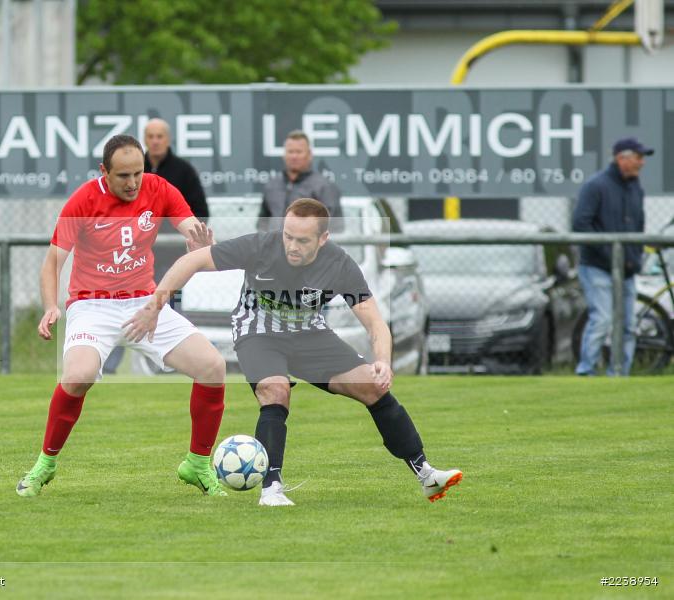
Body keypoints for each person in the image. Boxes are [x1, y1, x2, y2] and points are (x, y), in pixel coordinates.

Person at [126, 198, 462, 507]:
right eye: (288, 236)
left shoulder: (339, 265)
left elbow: (376, 323)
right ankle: (271, 488)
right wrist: (155, 306)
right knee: (275, 390)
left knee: (374, 387)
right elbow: (193, 260)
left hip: (309, 336)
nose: (292, 245)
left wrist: (383, 364)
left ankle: (426, 475)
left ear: (323, 239)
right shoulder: (261, 246)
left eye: (302, 240)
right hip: (257, 333)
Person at [16, 134, 227, 498]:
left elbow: (194, 231)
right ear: (104, 172)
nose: (132, 184)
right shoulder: (82, 201)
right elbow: (52, 263)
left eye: (138, 174)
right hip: (92, 305)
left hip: (143, 303)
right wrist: (51, 305)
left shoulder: (159, 188)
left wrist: (202, 245)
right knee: (78, 376)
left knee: (213, 367)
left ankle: (197, 465)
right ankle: (45, 464)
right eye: (123, 176)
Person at [104, 118, 210, 374]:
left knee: (169, 307)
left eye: (159, 136)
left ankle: (165, 366)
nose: (155, 141)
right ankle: (107, 365)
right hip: (131, 257)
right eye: (150, 136)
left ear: (168, 139)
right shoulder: (125, 171)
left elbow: (199, 213)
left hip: (170, 256)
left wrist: (186, 236)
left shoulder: (183, 171)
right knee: (120, 307)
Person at [573, 136, 651, 376]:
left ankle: (620, 373)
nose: (641, 163)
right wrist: (610, 253)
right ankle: (586, 371)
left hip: (626, 269)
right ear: (622, 158)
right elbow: (580, 223)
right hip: (597, 266)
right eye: (638, 157)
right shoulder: (596, 186)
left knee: (628, 325)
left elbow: (638, 224)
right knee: (602, 320)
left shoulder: (635, 187)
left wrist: (634, 257)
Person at [257, 130, 342, 232]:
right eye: (290, 151)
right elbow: (263, 222)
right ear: (284, 155)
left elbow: (334, 227)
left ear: (309, 155)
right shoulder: (272, 186)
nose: (294, 156)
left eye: (299, 152)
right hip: (275, 246)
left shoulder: (324, 187)